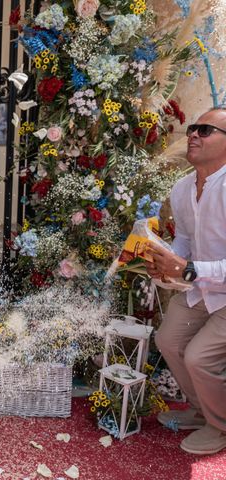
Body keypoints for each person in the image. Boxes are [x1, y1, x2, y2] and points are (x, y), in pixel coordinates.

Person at [147, 107, 226, 455]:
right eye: (193, 128)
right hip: (201, 290)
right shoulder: (181, 188)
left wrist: (188, 270)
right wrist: (165, 263)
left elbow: (190, 263)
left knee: (198, 357)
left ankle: (220, 427)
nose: (193, 134)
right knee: (168, 340)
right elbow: (185, 243)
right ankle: (205, 411)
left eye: (205, 130)